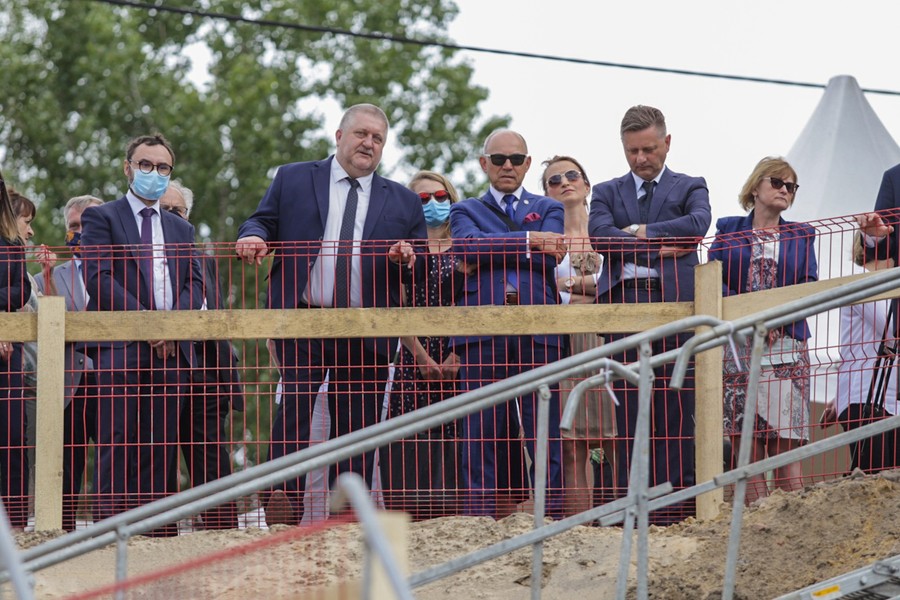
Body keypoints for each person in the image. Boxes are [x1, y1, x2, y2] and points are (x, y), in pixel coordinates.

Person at [235, 103, 424, 526]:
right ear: (339, 137)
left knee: (356, 428)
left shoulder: (404, 200)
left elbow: (421, 260)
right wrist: (252, 237)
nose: (368, 143)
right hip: (303, 318)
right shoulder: (294, 177)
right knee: (294, 412)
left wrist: (407, 257)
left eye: (377, 138)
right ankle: (281, 504)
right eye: (361, 133)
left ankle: (346, 519)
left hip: (367, 325)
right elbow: (262, 220)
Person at [589, 105, 711, 524]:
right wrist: (661, 241)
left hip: (676, 310)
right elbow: (599, 237)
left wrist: (636, 233)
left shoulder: (692, 184)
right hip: (623, 312)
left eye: (648, 149)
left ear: (667, 143)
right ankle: (631, 511)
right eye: (632, 151)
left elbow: (697, 225)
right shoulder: (605, 191)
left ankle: (673, 513)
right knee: (627, 411)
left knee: (676, 410)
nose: (641, 158)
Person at [80, 133, 203, 534]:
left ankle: (158, 536)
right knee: (117, 442)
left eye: (163, 168)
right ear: (127, 167)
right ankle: (108, 536)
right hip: (121, 347)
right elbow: (99, 280)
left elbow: (194, 286)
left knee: (161, 447)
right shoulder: (103, 218)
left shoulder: (181, 230)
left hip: (171, 353)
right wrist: (149, 322)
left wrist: (170, 328)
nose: (154, 173)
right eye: (146, 165)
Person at [449, 129, 567, 518]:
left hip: (538, 333)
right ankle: (477, 523)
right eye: (498, 159)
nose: (507, 167)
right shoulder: (464, 209)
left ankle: (550, 519)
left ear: (528, 164)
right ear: (484, 164)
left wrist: (492, 249)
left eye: (516, 159)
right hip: (482, 333)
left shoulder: (550, 206)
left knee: (544, 432)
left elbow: (551, 253)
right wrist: (529, 241)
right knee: (479, 433)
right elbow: (466, 246)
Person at [708, 156, 816, 504]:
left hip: (787, 346)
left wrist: (776, 321)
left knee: (787, 454)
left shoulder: (803, 234)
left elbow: (808, 285)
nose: (786, 190)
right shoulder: (728, 229)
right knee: (748, 452)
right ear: (755, 187)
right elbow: (713, 280)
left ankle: (793, 530)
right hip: (739, 347)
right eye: (777, 182)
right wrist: (749, 319)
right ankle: (754, 533)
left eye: (791, 186)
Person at [379, 171, 464, 520]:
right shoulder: (399, 250)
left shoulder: (466, 243)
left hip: (462, 357)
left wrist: (458, 352)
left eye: (440, 196)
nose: (432, 204)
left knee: (461, 445)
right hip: (414, 359)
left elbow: (474, 303)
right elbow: (395, 306)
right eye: (422, 199)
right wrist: (422, 356)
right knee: (409, 448)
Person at [160, 180, 244, 529]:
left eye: (177, 211)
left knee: (210, 459)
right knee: (158, 459)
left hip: (207, 371)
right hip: (159, 370)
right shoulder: (134, 256)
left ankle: (220, 529)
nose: (171, 218)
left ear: (188, 217)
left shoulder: (204, 259)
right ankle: (157, 536)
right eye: (163, 211)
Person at [541, 156, 617, 517]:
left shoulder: (607, 231)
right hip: (561, 346)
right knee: (571, 445)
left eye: (572, 175)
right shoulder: (545, 238)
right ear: (546, 193)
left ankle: (616, 525)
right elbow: (540, 288)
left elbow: (614, 283)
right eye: (554, 180)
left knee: (613, 440)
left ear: (587, 185)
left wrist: (568, 283)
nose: (564, 182)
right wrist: (589, 287)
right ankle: (576, 531)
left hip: (605, 344)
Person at [33, 194, 103, 532]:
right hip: (69, 384)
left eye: (88, 224)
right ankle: (61, 532)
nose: (80, 232)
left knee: (111, 462)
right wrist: (45, 276)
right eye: (74, 226)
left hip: (111, 379)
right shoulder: (47, 277)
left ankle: (111, 528)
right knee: (68, 462)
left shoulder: (122, 268)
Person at [820, 233, 900, 472]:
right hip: (865, 398)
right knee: (873, 478)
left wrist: (838, 396)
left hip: (882, 399)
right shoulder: (865, 283)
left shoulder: (886, 286)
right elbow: (893, 331)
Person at [0, 173, 33, 530]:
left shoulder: (11, 242)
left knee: (11, 438)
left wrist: (4, 323)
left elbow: (20, 290)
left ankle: (16, 524)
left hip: (9, 356)